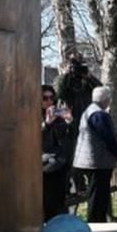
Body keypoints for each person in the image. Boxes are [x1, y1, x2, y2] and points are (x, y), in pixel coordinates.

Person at [71, 86, 117, 223]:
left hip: (88, 160)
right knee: (98, 195)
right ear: (106, 100)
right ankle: (95, 222)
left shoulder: (89, 111)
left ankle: (98, 220)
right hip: (97, 162)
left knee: (97, 193)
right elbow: (108, 137)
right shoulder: (99, 114)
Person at [41, 85, 75, 222]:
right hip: (45, 165)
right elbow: (36, 137)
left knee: (60, 201)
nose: (49, 101)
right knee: (49, 201)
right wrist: (47, 124)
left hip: (61, 163)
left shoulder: (58, 116)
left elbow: (69, 137)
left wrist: (69, 121)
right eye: (45, 98)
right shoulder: (33, 114)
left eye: (52, 98)